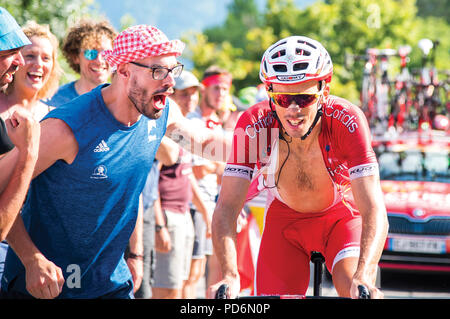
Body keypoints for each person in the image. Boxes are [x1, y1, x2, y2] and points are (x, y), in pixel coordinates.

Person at [0, 24, 228, 299]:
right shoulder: (66, 128)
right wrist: (31, 259)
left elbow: (206, 143)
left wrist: (273, 143)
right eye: (157, 71)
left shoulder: (160, 110)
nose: (169, 83)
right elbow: (2, 191)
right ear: (123, 71)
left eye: (172, 71)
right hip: (46, 287)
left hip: (109, 284)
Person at [209, 36, 388, 299]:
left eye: (304, 98)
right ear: (270, 94)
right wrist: (230, 274)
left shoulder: (347, 120)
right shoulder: (254, 124)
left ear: (323, 91)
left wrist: (364, 274)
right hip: (286, 222)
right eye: (282, 98)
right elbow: (226, 207)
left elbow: (374, 208)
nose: (293, 110)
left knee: (354, 290)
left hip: (341, 217)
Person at [186, 66, 232, 292]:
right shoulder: (191, 120)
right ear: (204, 89)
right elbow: (195, 171)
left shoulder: (217, 122)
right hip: (192, 204)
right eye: (216, 88)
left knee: (216, 270)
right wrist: (215, 167)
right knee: (191, 275)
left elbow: (224, 170)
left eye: (225, 89)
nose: (221, 93)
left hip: (212, 202)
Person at [43, 19, 117, 107]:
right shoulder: (52, 100)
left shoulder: (122, 102)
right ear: (75, 57)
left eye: (106, 53)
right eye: (90, 53)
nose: (99, 60)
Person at [0, 21, 61, 122]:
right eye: (30, 56)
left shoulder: (54, 118)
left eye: (46, 58)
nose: (38, 64)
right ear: (15, 61)